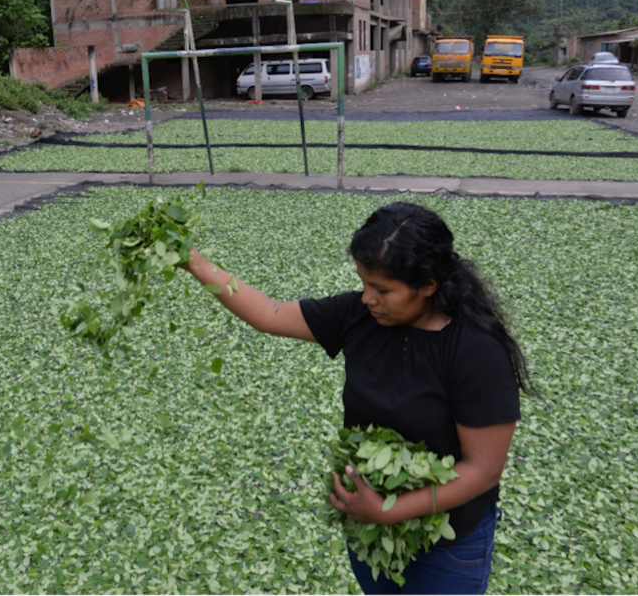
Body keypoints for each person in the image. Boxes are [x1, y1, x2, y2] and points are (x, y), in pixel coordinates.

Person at [182, 201, 534, 595]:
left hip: (447, 548)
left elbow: (483, 469)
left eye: (382, 289)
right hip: (368, 532)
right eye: (364, 283)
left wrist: (390, 511)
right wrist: (192, 259)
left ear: (429, 285)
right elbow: (269, 313)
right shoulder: (358, 315)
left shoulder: (474, 351)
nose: (368, 298)